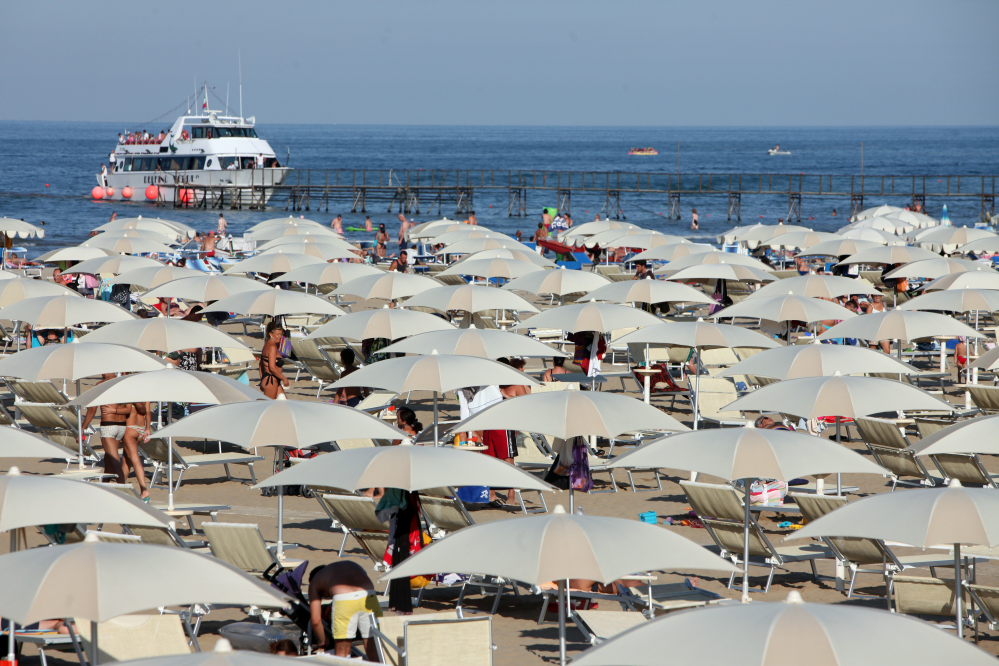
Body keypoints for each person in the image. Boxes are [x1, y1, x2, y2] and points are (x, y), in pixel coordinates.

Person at [308, 562, 382, 659]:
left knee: (342, 655)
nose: (327, 597)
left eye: (324, 596)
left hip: (344, 598)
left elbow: (316, 621)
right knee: (375, 651)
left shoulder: (314, 581)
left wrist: (323, 640)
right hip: (369, 595)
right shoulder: (350, 565)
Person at [82, 374, 129, 483]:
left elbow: (92, 411)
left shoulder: (101, 385)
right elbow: (128, 409)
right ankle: (104, 485)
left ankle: (122, 487)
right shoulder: (123, 383)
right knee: (109, 461)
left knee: (115, 460)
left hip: (109, 426)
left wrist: (83, 428)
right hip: (121, 426)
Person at [122, 401, 151, 499]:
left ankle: (144, 490)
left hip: (130, 428)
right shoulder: (145, 396)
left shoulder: (131, 395)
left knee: (134, 459)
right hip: (141, 428)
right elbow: (148, 412)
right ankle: (120, 485)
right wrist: (147, 429)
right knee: (126, 459)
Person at [259, 322, 289, 398]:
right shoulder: (271, 347)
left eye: (281, 334)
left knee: (283, 405)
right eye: (278, 334)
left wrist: (262, 380)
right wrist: (284, 378)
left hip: (271, 380)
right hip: (271, 381)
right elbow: (272, 368)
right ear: (270, 334)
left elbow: (261, 364)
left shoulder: (267, 345)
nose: (280, 336)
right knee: (269, 407)